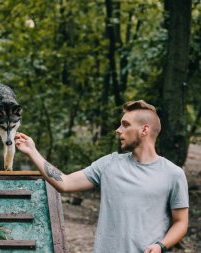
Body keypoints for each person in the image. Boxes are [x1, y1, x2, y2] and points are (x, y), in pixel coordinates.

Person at [15, 100, 189, 253]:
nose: (118, 130)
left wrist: (161, 245)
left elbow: (181, 222)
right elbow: (65, 183)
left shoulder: (173, 174)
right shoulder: (108, 164)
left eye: (125, 125)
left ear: (144, 130)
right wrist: (32, 152)